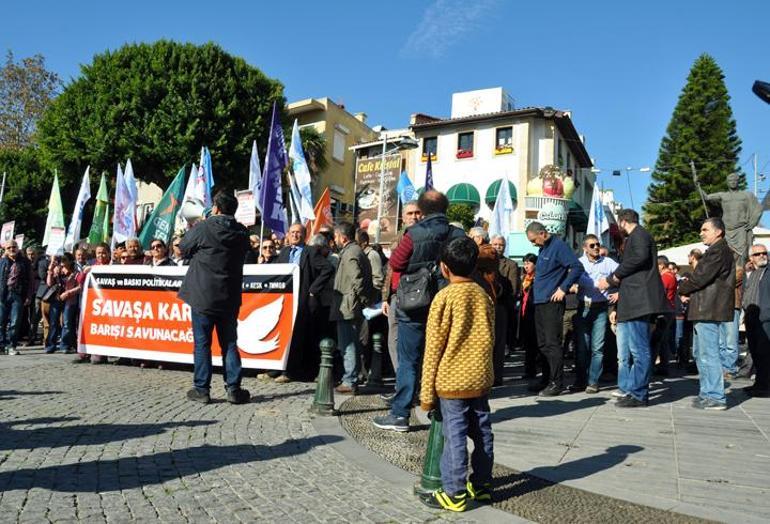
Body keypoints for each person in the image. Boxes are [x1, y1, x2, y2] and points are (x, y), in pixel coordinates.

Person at [373, 190, 465, 432]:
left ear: (421, 211)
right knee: (444, 358)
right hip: (447, 303)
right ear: (446, 209)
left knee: (408, 360)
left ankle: (400, 414)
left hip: (415, 304)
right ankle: (443, 412)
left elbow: (395, 264)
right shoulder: (458, 234)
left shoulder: (413, 234)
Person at [418, 237, 494, 512]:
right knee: (483, 431)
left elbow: (433, 349)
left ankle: (454, 492)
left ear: (443, 268)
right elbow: (491, 338)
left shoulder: (444, 298)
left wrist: (426, 396)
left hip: (452, 380)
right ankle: (483, 485)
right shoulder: (483, 295)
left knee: (456, 435)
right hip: (480, 378)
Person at [178, 191, 251, 405]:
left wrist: (204, 222)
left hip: (202, 295)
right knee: (229, 343)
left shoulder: (204, 227)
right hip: (229, 297)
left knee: (202, 343)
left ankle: (202, 389)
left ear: (217, 208)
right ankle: (234, 389)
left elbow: (183, 247)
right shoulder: (242, 232)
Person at [598, 209, 669, 408]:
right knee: (634, 350)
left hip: (639, 301)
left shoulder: (640, 235)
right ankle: (633, 390)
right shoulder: (637, 236)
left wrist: (612, 278)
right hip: (632, 301)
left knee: (640, 351)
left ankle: (639, 394)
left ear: (622, 222)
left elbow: (638, 258)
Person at [677, 218, 735, 410]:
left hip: (709, 309)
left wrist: (681, 289)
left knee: (709, 354)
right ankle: (707, 393)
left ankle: (716, 397)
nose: (701, 233)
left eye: (705, 229)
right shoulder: (716, 251)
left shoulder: (718, 251)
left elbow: (699, 278)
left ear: (718, 232)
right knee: (701, 353)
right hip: (704, 308)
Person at [525, 221, 584, 396]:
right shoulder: (542, 249)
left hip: (552, 303)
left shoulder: (559, 246)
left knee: (552, 344)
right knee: (542, 344)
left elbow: (576, 267)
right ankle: (546, 379)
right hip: (540, 302)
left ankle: (556, 383)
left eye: (534, 240)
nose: (533, 244)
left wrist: (563, 288)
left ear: (543, 233)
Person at [273, 222, 335, 382]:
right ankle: (281, 369)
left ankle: (295, 372)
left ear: (305, 235)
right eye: (292, 232)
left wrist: (314, 289)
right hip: (285, 300)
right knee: (284, 335)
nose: (295, 235)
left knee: (301, 336)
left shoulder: (310, 252)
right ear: (288, 234)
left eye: (298, 233)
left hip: (303, 301)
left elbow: (328, 269)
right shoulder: (284, 252)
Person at [570, 234, 619, 393]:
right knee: (582, 346)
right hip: (584, 307)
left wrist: (618, 291)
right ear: (585, 248)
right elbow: (575, 277)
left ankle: (593, 382)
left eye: (597, 244)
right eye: (592, 245)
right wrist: (595, 283)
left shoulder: (608, 262)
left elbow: (622, 275)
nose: (596, 247)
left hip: (601, 308)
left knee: (598, 347)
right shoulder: (579, 263)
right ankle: (580, 381)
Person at [330, 222, 374, 394]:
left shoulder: (350, 253)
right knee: (351, 343)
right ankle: (351, 378)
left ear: (343, 237)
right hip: (350, 303)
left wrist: (363, 300)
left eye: (336, 236)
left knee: (348, 344)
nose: (335, 240)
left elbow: (357, 280)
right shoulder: (355, 251)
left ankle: (350, 380)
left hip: (348, 305)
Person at [382, 201, 422, 378]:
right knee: (394, 338)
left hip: (417, 295)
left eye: (417, 213)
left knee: (416, 340)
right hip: (396, 296)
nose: (414, 216)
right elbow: (390, 269)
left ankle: (416, 382)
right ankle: (402, 380)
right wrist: (385, 297)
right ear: (403, 218)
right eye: (410, 213)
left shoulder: (425, 237)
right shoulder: (397, 239)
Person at [44, 253, 84, 354]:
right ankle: (50, 345)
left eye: (64, 259)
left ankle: (65, 345)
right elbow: (49, 283)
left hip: (70, 300)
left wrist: (68, 293)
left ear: (70, 261)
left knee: (67, 323)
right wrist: (50, 271)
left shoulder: (76, 272)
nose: (62, 261)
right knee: (53, 322)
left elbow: (80, 287)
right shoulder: (57, 271)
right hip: (56, 299)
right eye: (60, 259)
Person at [742, 244, 768, 396]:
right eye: (758, 254)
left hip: (764, 318)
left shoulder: (768, 271)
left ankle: (764, 386)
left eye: (765, 253)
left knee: (764, 353)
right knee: (755, 352)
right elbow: (747, 292)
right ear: (751, 258)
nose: (762, 256)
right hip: (751, 318)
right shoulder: (752, 273)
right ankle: (759, 384)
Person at [0, 240, 32, 355]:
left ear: (18, 248)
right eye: (9, 248)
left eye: (14, 247)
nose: (12, 249)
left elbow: (30, 281)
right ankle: (2, 345)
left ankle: (11, 345)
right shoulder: (2, 261)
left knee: (15, 322)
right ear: (5, 250)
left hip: (18, 294)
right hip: (3, 294)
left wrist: (28, 296)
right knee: (1, 322)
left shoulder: (25, 262)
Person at [490, 235, 519, 355]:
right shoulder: (484, 262)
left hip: (502, 304)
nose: (498, 247)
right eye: (495, 244)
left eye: (500, 245)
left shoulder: (511, 265)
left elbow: (514, 287)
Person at [650, 255, 677, 377]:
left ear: (661, 265)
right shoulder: (672, 276)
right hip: (670, 310)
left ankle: (652, 367)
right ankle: (663, 366)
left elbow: (659, 293)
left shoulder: (665, 277)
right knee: (663, 340)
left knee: (656, 340)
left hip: (664, 311)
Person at [519, 253, 542, 380]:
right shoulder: (525, 278)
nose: (526, 265)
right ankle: (529, 370)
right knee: (528, 345)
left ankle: (534, 369)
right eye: (525, 263)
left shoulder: (538, 277)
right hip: (524, 313)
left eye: (528, 263)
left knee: (534, 344)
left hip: (534, 313)